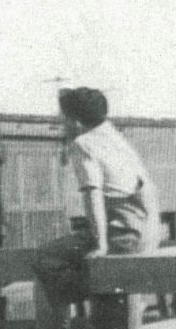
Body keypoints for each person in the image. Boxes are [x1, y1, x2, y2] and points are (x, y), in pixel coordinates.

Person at [59, 86, 159, 262]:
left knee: (45, 255)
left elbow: (93, 194)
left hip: (122, 237)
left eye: (63, 119)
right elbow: (148, 189)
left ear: (75, 122)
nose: (62, 126)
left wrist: (101, 245)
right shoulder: (116, 138)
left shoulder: (83, 143)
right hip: (146, 236)